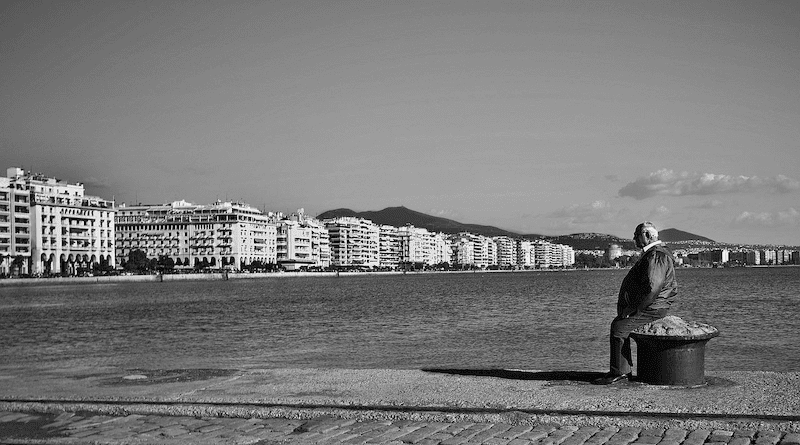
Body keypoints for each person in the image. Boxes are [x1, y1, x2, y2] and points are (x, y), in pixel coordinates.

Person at [593, 221, 677, 385]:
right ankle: (622, 370)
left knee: (618, 328)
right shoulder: (654, 254)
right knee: (619, 326)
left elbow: (653, 288)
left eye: (636, 235)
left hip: (653, 307)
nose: (633, 238)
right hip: (653, 305)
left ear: (646, 235)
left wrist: (634, 309)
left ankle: (620, 372)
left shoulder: (656, 255)